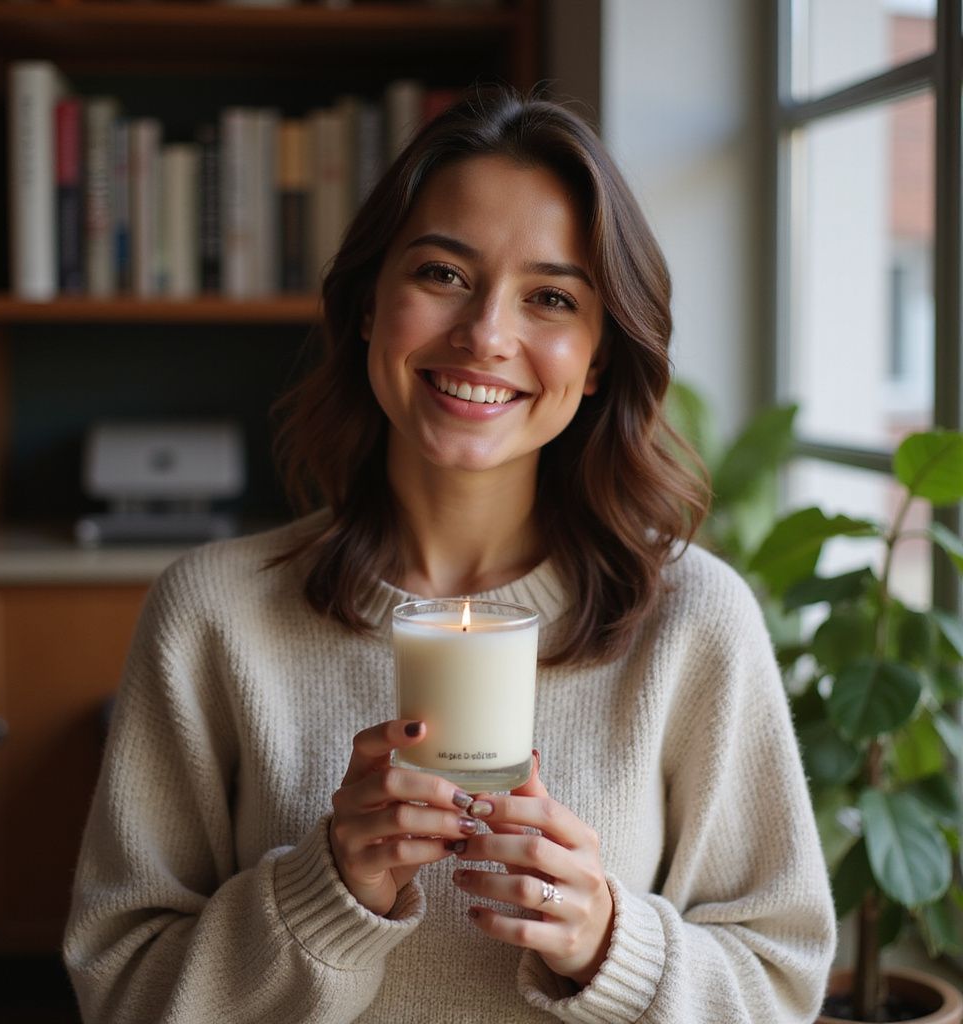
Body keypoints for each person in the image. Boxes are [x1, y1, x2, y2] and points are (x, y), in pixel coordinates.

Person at [63, 86, 836, 1023]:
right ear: (366, 306)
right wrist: (326, 891)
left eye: (550, 297)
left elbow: (781, 987)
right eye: (442, 274)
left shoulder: (692, 622)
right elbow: (122, 986)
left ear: (596, 361)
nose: (486, 336)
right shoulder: (213, 614)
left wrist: (606, 945)